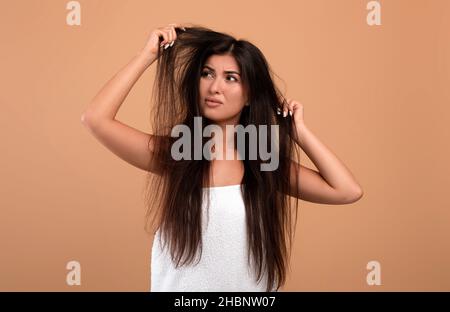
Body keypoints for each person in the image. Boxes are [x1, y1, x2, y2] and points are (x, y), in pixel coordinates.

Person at [81, 23, 364, 292]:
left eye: (231, 78)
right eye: (207, 74)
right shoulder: (178, 154)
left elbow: (346, 191)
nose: (214, 87)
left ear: (251, 94)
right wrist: (147, 55)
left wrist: (298, 132)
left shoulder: (263, 162)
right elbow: (96, 119)